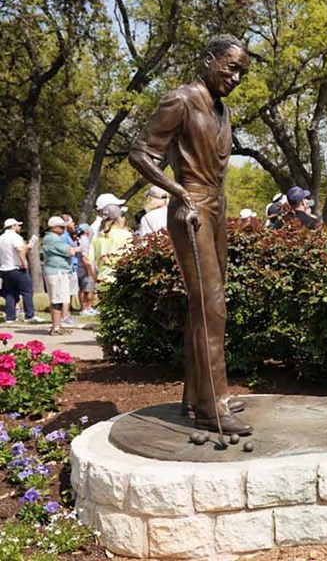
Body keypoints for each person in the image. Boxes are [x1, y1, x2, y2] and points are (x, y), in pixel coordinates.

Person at [128, 34, 252, 434]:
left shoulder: (222, 110)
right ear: (209, 59)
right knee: (212, 306)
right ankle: (213, 405)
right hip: (191, 207)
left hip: (217, 208)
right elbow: (141, 152)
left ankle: (194, 397)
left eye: (242, 72)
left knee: (205, 306)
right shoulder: (180, 100)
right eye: (231, 66)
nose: (235, 77)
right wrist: (177, 192)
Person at [43, 216, 81, 336]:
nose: (64, 228)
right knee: (57, 300)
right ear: (54, 228)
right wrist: (78, 248)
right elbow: (69, 251)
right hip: (56, 272)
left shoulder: (53, 238)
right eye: (62, 227)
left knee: (60, 299)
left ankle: (58, 325)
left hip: (60, 271)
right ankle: (55, 327)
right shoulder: (53, 239)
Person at [0, 219, 42, 323]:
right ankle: (29, 315)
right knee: (27, 291)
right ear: (13, 226)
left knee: (10, 293)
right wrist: (24, 264)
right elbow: (20, 251)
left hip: (5, 268)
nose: (19, 227)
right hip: (16, 267)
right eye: (17, 225)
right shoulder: (16, 237)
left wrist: (27, 247)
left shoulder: (1, 238)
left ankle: (10, 317)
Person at [88, 205, 133, 283]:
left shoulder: (97, 236)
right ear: (117, 218)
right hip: (121, 280)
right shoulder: (126, 235)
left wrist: (95, 278)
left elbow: (89, 261)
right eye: (122, 216)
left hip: (102, 278)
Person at [60, 214, 80, 327]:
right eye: (71, 222)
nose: (74, 224)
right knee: (66, 292)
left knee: (71, 292)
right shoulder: (63, 237)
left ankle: (67, 313)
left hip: (73, 266)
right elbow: (68, 251)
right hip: (68, 267)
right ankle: (65, 315)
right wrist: (79, 248)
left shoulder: (69, 235)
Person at [75, 224, 98, 316]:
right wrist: (91, 271)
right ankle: (87, 308)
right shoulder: (85, 241)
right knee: (88, 289)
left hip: (80, 268)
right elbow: (85, 258)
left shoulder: (79, 239)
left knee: (82, 288)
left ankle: (84, 308)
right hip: (85, 269)